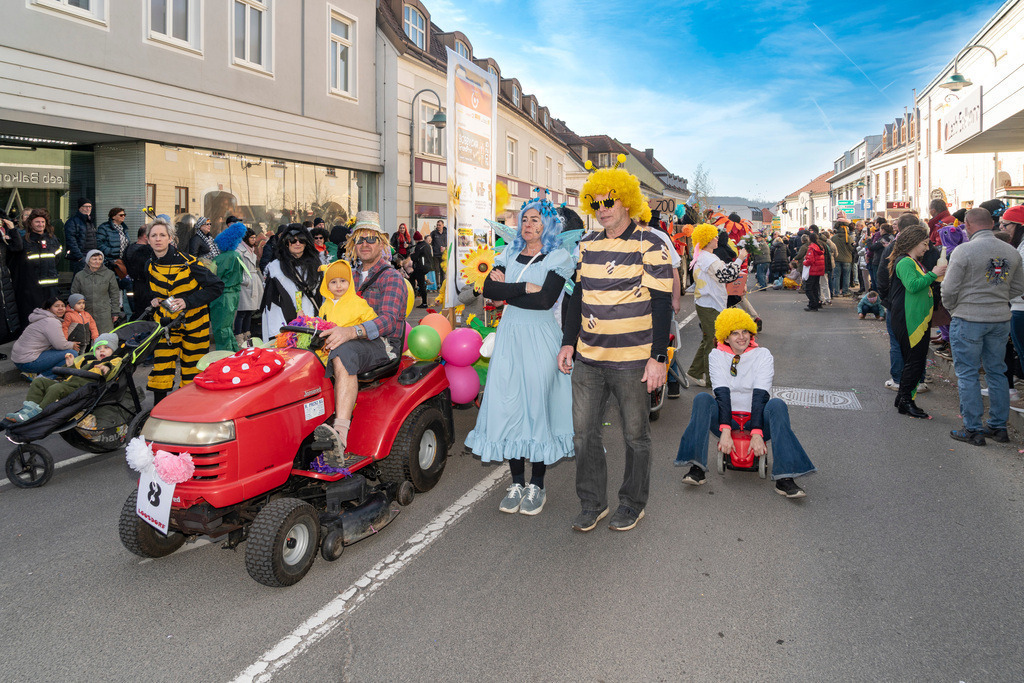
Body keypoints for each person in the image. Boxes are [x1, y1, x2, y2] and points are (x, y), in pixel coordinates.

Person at [557, 163, 674, 532]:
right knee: (583, 434)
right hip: (589, 358)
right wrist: (567, 343)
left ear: (627, 201)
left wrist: (657, 357)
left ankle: (632, 503)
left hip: (632, 360)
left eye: (609, 200)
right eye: (595, 202)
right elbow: (576, 299)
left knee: (635, 436)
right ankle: (592, 503)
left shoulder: (650, 242)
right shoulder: (587, 244)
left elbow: (661, 304)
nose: (602, 208)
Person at [466, 198, 574, 516]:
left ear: (548, 225)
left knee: (536, 406)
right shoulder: (508, 252)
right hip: (510, 336)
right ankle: (517, 481)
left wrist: (512, 290)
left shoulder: (558, 256)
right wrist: (525, 286)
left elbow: (545, 301)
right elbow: (489, 290)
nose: (528, 224)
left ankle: (536, 484)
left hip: (541, 338)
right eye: (524, 219)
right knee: (508, 404)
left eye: (536, 220)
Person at [676, 308, 816, 498]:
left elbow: (760, 395)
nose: (741, 337)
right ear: (726, 337)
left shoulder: (763, 355)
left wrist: (757, 433)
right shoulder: (716, 356)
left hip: (755, 418)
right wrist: (725, 432)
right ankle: (697, 468)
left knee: (777, 405)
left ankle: (785, 478)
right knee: (702, 399)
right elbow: (722, 393)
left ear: (751, 333)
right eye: (735, 333)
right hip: (728, 418)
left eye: (745, 332)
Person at [320, 212, 407, 455]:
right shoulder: (347, 276)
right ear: (352, 245)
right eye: (360, 240)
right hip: (346, 336)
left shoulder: (392, 278)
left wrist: (351, 332)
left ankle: (340, 432)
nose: (365, 244)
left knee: (342, 351)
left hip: (382, 344)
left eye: (371, 239)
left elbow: (389, 322)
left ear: (381, 243)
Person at [942, 207, 1024, 445]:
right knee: (996, 372)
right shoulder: (1010, 251)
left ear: (967, 224)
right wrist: (999, 298)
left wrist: (953, 308)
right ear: (993, 224)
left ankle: (973, 429)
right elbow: (1019, 287)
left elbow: (948, 288)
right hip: (999, 318)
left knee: (968, 374)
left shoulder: (964, 251)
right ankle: (998, 427)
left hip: (968, 317)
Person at [145, 218, 223, 403]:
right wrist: (155, 299)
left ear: (170, 238)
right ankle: (159, 410)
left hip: (194, 323)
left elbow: (217, 287)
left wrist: (187, 301)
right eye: (154, 235)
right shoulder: (150, 264)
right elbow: (156, 288)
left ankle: (190, 407)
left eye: (162, 235)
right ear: (148, 239)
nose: (158, 239)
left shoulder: (190, 263)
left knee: (193, 367)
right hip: (165, 323)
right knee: (161, 367)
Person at [888, 225, 946, 419]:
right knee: (915, 362)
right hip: (909, 319)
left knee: (915, 361)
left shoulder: (912, 261)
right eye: (924, 244)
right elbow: (913, 286)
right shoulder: (905, 262)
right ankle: (906, 401)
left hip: (916, 319)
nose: (927, 248)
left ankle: (903, 398)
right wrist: (933, 273)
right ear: (913, 242)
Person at [6, 333, 121, 422]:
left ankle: (38, 412)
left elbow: (113, 366)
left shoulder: (113, 360)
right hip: (68, 384)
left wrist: (106, 367)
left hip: (83, 389)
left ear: (113, 350)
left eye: (106, 348)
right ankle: (28, 409)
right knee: (39, 382)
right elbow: (72, 374)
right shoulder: (87, 359)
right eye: (98, 348)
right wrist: (71, 365)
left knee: (55, 389)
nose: (102, 350)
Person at [686, 223, 745, 387]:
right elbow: (727, 275)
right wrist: (740, 258)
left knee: (708, 339)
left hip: (707, 303)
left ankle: (695, 372)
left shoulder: (704, 256)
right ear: (706, 239)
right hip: (710, 304)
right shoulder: (708, 258)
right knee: (713, 342)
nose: (717, 238)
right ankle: (713, 379)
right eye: (714, 236)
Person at [261, 224, 323, 339]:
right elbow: (272, 304)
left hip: (313, 326)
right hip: (285, 327)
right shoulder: (276, 269)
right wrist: (279, 333)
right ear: (286, 243)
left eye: (301, 240)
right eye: (293, 241)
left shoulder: (317, 267)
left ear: (307, 243)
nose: (297, 244)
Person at [16, 208, 64, 331]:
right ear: (31, 223)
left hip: (51, 287)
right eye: (37, 222)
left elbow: (57, 258)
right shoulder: (25, 241)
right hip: (32, 288)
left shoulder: (53, 240)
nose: (40, 225)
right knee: (32, 319)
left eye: (42, 222)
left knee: (52, 318)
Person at [11, 297, 80, 379]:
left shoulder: (42, 317)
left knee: (60, 352)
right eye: (56, 306)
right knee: (72, 353)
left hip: (20, 360)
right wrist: (72, 345)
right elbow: (60, 345)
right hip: (28, 362)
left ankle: (33, 373)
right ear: (48, 309)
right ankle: (43, 377)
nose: (61, 308)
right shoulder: (51, 321)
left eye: (63, 306)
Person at [208, 222, 249, 353]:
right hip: (235, 294)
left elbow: (211, 278)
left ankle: (223, 355)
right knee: (228, 326)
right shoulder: (237, 256)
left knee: (220, 328)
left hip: (221, 296)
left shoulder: (219, 259)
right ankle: (233, 351)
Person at [70, 249, 121, 334]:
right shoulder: (79, 276)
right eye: (94, 259)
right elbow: (74, 294)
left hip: (104, 314)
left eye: (100, 259)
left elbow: (115, 294)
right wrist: (76, 312)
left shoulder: (109, 274)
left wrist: (115, 312)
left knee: (104, 338)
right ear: (88, 260)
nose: (97, 261)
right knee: (86, 337)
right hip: (85, 312)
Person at [235, 228, 265, 343]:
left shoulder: (252, 250)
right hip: (245, 284)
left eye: (254, 237)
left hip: (252, 282)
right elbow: (237, 270)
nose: (254, 240)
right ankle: (239, 336)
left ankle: (247, 334)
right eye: (252, 238)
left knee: (249, 312)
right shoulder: (239, 251)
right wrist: (245, 280)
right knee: (242, 312)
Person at [0, 215, 24, 343]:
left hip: (3, 276)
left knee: (6, 311)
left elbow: (18, 247)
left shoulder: (4, 234)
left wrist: (12, 229)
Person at [124, 226, 155, 319]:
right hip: (143, 287)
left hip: (133, 285)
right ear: (146, 236)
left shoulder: (129, 248)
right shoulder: (145, 251)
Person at [64, 198, 96, 274]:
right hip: (81, 257)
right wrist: (80, 257)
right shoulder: (72, 221)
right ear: (79, 208)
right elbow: (71, 241)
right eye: (85, 206)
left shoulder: (90, 221)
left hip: (91, 255)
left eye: (90, 206)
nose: (88, 209)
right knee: (79, 281)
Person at [831, 219, 856, 296]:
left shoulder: (833, 238)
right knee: (846, 276)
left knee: (836, 276)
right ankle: (845, 291)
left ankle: (836, 292)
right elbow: (852, 248)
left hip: (837, 259)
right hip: (847, 259)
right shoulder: (848, 237)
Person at [408, 231, 432, 308]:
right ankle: (417, 294)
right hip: (426, 266)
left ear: (416, 239)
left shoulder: (419, 246)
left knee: (420, 284)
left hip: (420, 268)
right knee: (413, 278)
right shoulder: (426, 245)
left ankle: (423, 302)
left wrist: (411, 255)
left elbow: (415, 257)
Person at [802, 232, 825, 311]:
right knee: (815, 287)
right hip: (819, 269)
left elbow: (810, 260)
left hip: (812, 269)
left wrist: (804, 262)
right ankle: (817, 302)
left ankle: (813, 304)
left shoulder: (811, 248)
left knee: (808, 288)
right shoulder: (820, 247)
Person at [430, 219, 447, 288]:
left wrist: (445, 248)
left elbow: (450, 243)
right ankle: (437, 285)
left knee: (443, 271)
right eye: (437, 225)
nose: (438, 226)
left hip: (444, 255)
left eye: (439, 225)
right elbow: (430, 242)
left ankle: (443, 285)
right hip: (436, 255)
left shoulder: (446, 233)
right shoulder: (433, 233)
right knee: (436, 270)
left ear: (443, 225)